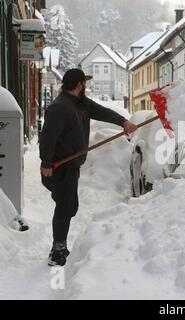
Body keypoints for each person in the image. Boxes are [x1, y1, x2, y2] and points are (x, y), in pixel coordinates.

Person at [40, 69, 138, 267]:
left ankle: (59, 246)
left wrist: (123, 122)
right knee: (65, 206)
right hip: (60, 167)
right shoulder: (60, 108)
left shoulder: (80, 103)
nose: (86, 86)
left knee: (68, 206)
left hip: (71, 166)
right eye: (84, 83)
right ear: (78, 85)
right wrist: (46, 163)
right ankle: (57, 251)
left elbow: (101, 111)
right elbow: (48, 138)